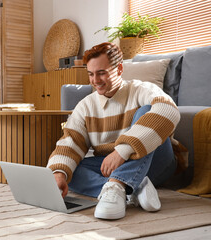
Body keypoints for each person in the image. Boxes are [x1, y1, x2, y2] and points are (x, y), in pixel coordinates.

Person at [46, 42, 180, 220]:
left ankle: (118, 184)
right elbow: (70, 142)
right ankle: (133, 188)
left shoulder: (141, 89)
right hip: (112, 165)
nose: (95, 81)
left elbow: (169, 110)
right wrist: (58, 173)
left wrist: (122, 151)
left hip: (157, 161)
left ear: (119, 69)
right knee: (69, 172)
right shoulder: (85, 105)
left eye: (101, 73)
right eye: (91, 74)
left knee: (146, 110)